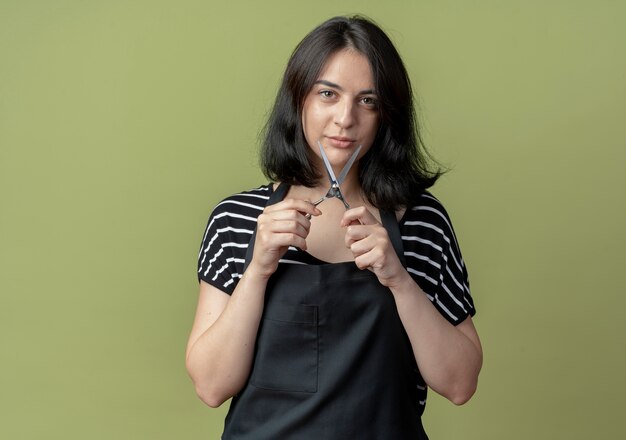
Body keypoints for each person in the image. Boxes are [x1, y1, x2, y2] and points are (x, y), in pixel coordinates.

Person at [186, 15, 482, 439]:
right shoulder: (237, 219)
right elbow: (211, 386)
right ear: (299, 100)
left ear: (387, 115)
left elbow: (460, 384)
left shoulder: (421, 221)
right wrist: (257, 269)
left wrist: (399, 279)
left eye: (368, 101)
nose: (345, 118)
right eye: (328, 94)